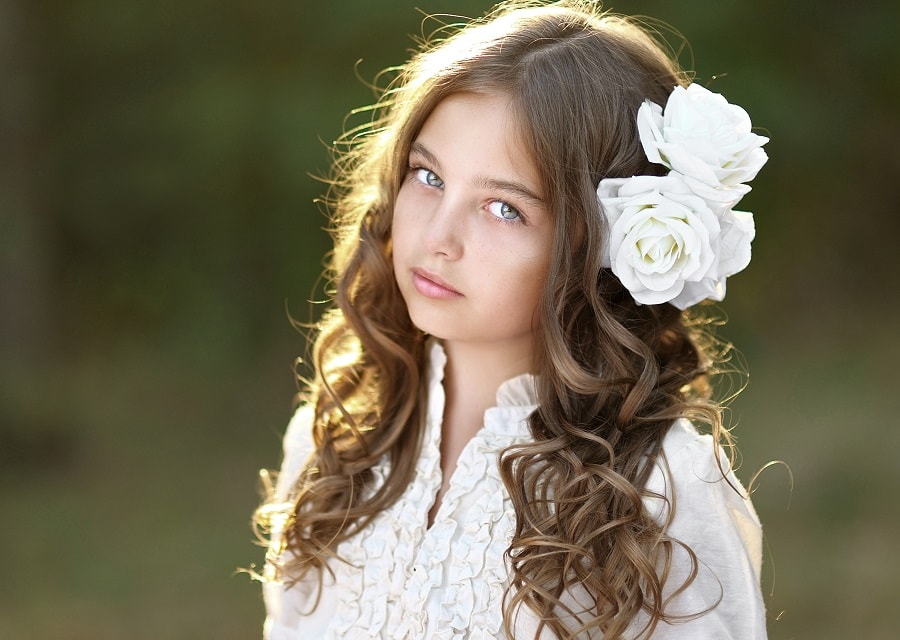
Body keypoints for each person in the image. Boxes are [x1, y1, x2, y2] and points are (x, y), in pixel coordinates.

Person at [253, 1, 770, 638]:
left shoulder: (660, 490)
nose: (439, 236)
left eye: (503, 209)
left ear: (598, 246)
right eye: (429, 175)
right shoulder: (337, 440)